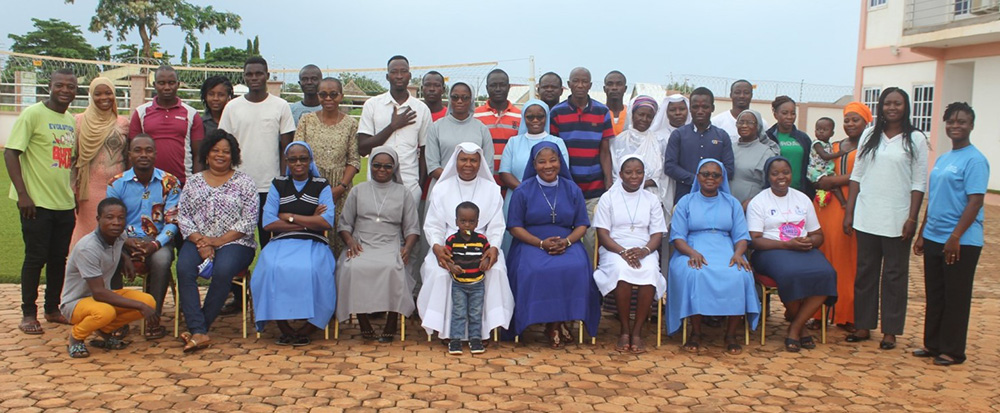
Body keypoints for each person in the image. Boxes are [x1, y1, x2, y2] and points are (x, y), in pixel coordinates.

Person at [844, 87, 928, 350]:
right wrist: (849, 212)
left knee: (894, 275)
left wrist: (912, 217)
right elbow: (857, 175)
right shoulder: (870, 134)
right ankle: (863, 325)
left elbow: (919, 181)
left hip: (898, 218)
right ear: (881, 107)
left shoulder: (916, 139)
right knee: (865, 272)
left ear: (906, 107)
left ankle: (890, 331)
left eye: (898, 103)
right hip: (867, 215)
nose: (892, 108)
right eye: (888, 103)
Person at [913, 102, 988, 366]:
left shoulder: (975, 160)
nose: (956, 126)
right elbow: (934, 199)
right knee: (935, 294)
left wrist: (955, 237)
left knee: (956, 296)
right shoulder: (944, 159)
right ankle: (932, 344)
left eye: (962, 121)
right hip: (934, 236)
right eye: (951, 121)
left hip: (961, 241)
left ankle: (953, 350)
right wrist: (922, 233)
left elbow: (975, 201)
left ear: (971, 125)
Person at [505, 141, 601, 346]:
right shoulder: (523, 190)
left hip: (568, 241)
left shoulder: (572, 188)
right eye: (542, 162)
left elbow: (582, 224)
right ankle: (551, 323)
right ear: (534, 164)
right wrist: (540, 244)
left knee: (575, 266)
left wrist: (566, 242)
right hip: (531, 243)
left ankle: (556, 323)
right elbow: (514, 227)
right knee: (534, 269)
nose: (548, 166)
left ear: (560, 161)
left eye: (553, 160)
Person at [5, 68, 78, 335]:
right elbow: (12, 153)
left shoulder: (70, 120)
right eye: (60, 85)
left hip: (63, 204)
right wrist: (23, 194)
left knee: (59, 258)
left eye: (70, 86)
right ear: (50, 86)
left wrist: (72, 196)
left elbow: (68, 163)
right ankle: (28, 313)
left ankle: (52, 309)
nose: (65, 90)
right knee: (35, 258)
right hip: (36, 203)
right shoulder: (33, 114)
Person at [417, 143, 513, 342]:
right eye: (463, 159)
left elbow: (496, 226)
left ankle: (486, 329)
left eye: (473, 160)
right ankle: (445, 330)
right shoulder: (441, 188)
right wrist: (437, 248)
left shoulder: (492, 190)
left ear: (480, 163)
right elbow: (434, 225)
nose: (468, 164)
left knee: (496, 271)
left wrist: (494, 248)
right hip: (448, 246)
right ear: (455, 161)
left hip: (483, 246)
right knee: (440, 272)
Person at [175, 131, 258, 353]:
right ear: (207, 153)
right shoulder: (193, 182)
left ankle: (197, 329)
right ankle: (198, 330)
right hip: (198, 240)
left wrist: (217, 241)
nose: (220, 155)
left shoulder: (245, 182)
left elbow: (249, 220)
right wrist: (201, 241)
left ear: (233, 156)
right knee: (184, 268)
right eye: (215, 150)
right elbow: (183, 216)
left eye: (226, 151)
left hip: (236, 243)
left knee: (223, 270)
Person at [668, 159, 758, 354]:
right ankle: (696, 333)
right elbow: (677, 238)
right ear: (698, 177)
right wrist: (692, 252)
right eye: (705, 174)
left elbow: (742, 236)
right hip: (691, 249)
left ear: (722, 178)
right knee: (695, 273)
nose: (710, 178)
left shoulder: (732, 203)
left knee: (740, 274)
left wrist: (738, 254)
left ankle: (731, 334)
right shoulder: (686, 202)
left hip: (726, 249)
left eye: (716, 175)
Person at [747, 156, 837, 352]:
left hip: (802, 249)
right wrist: (787, 245)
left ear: (792, 174)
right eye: (775, 173)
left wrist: (809, 241)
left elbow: (818, 235)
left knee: (828, 274)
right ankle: (800, 329)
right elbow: (754, 240)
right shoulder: (759, 201)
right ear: (768, 176)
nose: (781, 177)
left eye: (785, 172)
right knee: (790, 275)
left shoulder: (802, 198)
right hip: (771, 250)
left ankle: (795, 326)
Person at [251, 142, 337, 346]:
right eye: (293, 159)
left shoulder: (321, 184)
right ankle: (284, 327)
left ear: (310, 160)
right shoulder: (278, 184)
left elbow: (326, 222)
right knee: (272, 267)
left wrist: (289, 217)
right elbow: (268, 223)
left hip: (314, 243)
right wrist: (309, 222)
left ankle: (310, 327)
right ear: (287, 162)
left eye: (303, 159)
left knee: (313, 268)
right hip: (281, 242)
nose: (298, 163)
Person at [336, 146, 420, 342]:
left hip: (390, 242)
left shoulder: (403, 193)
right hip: (361, 242)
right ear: (371, 166)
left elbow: (412, 229)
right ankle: (364, 324)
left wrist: (406, 248)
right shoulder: (358, 190)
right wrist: (350, 242)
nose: (381, 170)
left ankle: (391, 325)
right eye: (377, 165)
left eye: (387, 166)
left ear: (394, 168)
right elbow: (344, 224)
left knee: (394, 267)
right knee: (352, 267)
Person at [60, 197, 159, 358]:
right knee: (106, 312)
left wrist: (125, 259)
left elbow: (122, 242)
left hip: (100, 297)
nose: (116, 222)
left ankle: (105, 331)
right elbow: (99, 292)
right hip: (76, 302)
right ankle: (76, 338)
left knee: (149, 301)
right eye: (110, 217)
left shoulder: (119, 235)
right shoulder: (88, 248)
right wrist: (139, 306)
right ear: (98, 220)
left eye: (121, 218)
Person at [106, 134, 180, 339]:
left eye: (148, 150)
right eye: (137, 150)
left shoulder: (170, 182)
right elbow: (111, 220)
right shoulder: (117, 184)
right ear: (129, 155)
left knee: (162, 260)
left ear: (156, 154)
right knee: (111, 257)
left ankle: (152, 319)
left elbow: (173, 222)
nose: (143, 154)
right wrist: (125, 242)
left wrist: (155, 244)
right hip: (123, 240)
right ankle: (118, 318)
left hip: (158, 241)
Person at [218, 56, 296, 250]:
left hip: (269, 187)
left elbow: (287, 149)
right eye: (249, 74)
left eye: (258, 73)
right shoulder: (232, 107)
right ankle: (238, 277)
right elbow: (223, 147)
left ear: (267, 76)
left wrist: (283, 183)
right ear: (244, 77)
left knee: (270, 241)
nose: (254, 78)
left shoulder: (281, 106)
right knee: (234, 240)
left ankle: (269, 279)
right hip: (237, 185)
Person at [593, 156, 667, 354]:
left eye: (639, 172)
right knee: (621, 270)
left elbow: (657, 234)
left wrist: (644, 251)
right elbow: (602, 234)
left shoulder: (651, 199)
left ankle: (637, 331)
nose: (634, 176)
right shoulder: (608, 198)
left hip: (645, 249)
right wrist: (623, 252)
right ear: (620, 174)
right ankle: (624, 330)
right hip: (614, 248)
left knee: (650, 271)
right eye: (629, 172)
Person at [810, 102, 869, 332]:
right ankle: (819, 313)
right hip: (826, 207)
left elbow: (863, 175)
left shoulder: (869, 149)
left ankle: (847, 314)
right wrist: (822, 181)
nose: (851, 124)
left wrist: (833, 181)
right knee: (824, 258)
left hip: (851, 207)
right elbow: (815, 171)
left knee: (847, 261)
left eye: (856, 120)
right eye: (847, 120)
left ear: (866, 122)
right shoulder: (830, 146)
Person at [549, 67, 615, 263]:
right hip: (565, 188)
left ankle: (590, 284)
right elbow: (553, 151)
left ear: (590, 85)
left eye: (584, 81)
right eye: (575, 81)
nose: (580, 85)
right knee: (564, 237)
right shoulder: (557, 112)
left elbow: (605, 150)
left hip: (594, 190)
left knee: (590, 240)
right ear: (568, 85)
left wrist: (608, 181)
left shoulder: (602, 112)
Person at [296, 77, 360, 257]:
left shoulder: (350, 124)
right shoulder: (306, 121)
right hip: (310, 185)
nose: (328, 99)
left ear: (341, 96)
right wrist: (312, 187)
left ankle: (340, 280)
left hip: (340, 187)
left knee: (340, 233)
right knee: (312, 232)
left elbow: (354, 160)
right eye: (323, 95)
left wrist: (340, 188)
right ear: (318, 96)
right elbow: (297, 154)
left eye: (333, 94)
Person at [357, 55, 433, 203]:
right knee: (377, 225)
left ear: (409, 76)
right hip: (376, 183)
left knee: (408, 226)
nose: (399, 76)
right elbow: (362, 148)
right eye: (394, 72)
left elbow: (425, 151)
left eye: (403, 71)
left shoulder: (421, 109)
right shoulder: (372, 105)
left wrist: (420, 185)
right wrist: (393, 127)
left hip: (410, 183)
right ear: (387, 76)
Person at [498, 100, 569, 251]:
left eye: (540, 116)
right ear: (524, 118)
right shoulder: (514, 142)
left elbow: (562, 171)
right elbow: (504, 172)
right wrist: (526, 192)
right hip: (516, 197)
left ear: (546, 118)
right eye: (530, 117)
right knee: (511, 244)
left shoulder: (557, 142)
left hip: (550, 198)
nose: (535, 120)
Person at [70, 77, 130, 249]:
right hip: (88, 190)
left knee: (113, 234)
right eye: (98, 94)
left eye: (108, 93)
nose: (104, 98)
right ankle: (79, 274)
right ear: (91, 96)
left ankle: (109, 275)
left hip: (116, 188)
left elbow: (127, 157)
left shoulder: (123, 123)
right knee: (85, 236)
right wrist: (73, 189)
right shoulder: (79, 121)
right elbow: (73, 159)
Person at [129, 65, 205, 184]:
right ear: (154, 85)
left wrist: (195, 185)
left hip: (182, 183)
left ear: (178, 84)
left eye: (171, 83)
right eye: (161, 83)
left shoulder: (191, 114)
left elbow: (198, 155)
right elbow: (133, 151)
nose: (167, 87)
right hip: (149, 183)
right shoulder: (141, 112)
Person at [664, 87, 735, 203]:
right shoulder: (678, 135)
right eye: (695, 107)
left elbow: (729, 169)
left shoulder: (722, 136)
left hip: (715, 198)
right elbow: (670, 166)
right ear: (690, 109)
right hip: (684, 196)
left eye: (705, 107)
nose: (700, 111)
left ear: (712, 108)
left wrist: (710, 181)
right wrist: (697, 180)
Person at [610, 96, 673, 214]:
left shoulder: (659, 142)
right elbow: (613, 171)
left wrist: (641, 184)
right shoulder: (618, 141)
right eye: (640, 114)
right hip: (621, 196)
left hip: (652, 198)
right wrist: (630, 186)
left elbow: (664, 175)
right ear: (632, 114)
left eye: (649, 116)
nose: (644, 119)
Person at [426, 82, 494, 190]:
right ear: (449, 98)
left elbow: (487, 166)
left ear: (471, 100)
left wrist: (466, 184)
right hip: (442, 188)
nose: (459, 101)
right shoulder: (436, 127)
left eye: (465, 97)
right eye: (455, 97)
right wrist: (457, 183)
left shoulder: (482, 129)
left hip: (475, 190)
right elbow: (432, 166)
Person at [444, 202, 491, 355]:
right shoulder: (452, 240)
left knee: (475, 312)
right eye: (463, 221)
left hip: (477, 283)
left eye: (471, 222)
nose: (467, 225)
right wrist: (452, 267)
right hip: (459, 284)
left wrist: (485, 261)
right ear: (456, 221)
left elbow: (488, 252)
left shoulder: (481, 239)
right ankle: (455, 340)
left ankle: (475, 338)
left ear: (477, 223)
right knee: (459, 312)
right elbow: (448, 258)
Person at [474, 69, 521, 179]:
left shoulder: (521, 117)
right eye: (493, 85)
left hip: (512, 182)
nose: (498, 89)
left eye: (502, 85)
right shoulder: (475, 116)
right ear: (487, 88)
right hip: (482, 180)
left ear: (509, 87)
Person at [765, 96, 813, 197]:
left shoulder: (803, 138)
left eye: (793, 113)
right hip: (773, 193)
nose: (789, 117)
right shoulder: (767, 137)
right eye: (784, 113)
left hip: (800, 193)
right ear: (775, 115)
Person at [730, 109, 780, 205]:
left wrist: (752, 202)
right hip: (729, 204)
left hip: (754, 205)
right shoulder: (730, 148)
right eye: (741, 122)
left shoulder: (767, 152)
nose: (744, 126)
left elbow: (770, 185)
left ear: (758, 126)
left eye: (750, 123)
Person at [808, 117, 848, 208]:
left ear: (832, 133)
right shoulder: (817, 144)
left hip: (824, 170)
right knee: (829, 184)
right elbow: (824, 156)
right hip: (816, 171)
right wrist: (839, 154)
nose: (821, 131)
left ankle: (842, 202)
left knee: (833, 184)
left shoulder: (830, 144)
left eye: (825, 129)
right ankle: (842, 202)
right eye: (818, 129)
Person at [604, 71, 629, 135]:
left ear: (625, 88)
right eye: (610, 84)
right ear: (604, 89)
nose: (614, 88)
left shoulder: (631, 114)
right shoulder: (598, 112)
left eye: (619, 84)